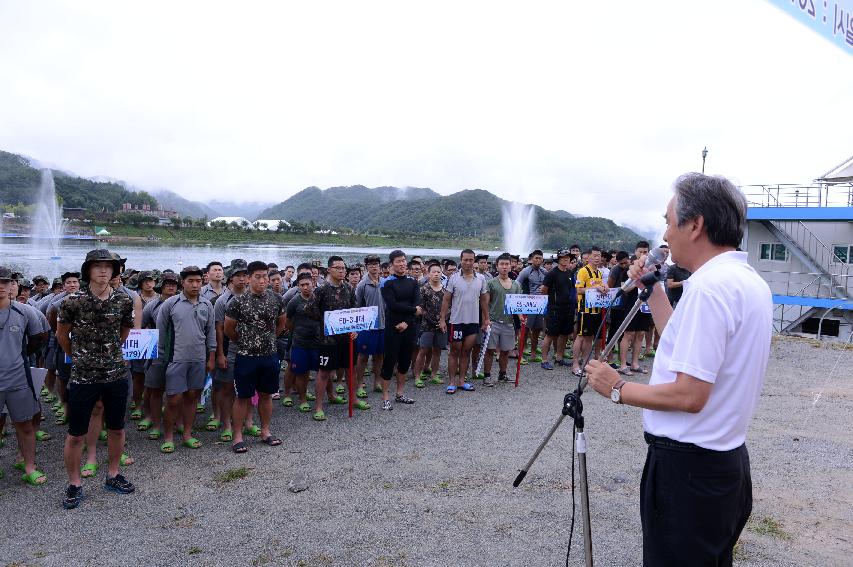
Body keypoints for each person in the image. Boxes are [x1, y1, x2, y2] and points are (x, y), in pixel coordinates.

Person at [586, 173, 771, 566]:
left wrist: (617, 387)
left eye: (669, 221)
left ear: (696, 224)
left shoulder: (708, 288)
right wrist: (653, 293)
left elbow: (690, 395)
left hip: (688, 470)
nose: (665, 235)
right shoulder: (744, 280)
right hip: (723, 464)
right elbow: (685, 347)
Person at [57, 249, 136, 509]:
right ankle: (74, 483)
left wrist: (110, 354)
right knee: (76, 433)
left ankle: (113, 474)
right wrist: (79, 357)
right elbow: (62, 335)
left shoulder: (123, 300)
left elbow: (125, 331)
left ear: (114, 271)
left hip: (115, 374)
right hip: (83, 376)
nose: (103, 271)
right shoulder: (72, 301)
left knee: (116, 428)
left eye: (108, 267)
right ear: (88, 270)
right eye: (97, 266)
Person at [224, 261, 286, 452]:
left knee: (266, 395)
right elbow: (229, 329)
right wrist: (245, 342)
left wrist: (269, 340)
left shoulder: (276, 299)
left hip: (269, 355)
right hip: (245, 355)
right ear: (249, 278)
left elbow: (281, 323)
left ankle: (265, 431)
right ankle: (237, 436)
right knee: (242, 396)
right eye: (257, 277)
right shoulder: (237, 302)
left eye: (265, 276)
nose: (262, 280)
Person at [156, 266, 216, 453]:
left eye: (198, 281)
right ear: (183, 283)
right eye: (191, 281)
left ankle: (188, 434)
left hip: (198, 359)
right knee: (173, 399)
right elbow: (161, 331)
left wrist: (211, 356)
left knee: (192, 398)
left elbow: (211, 333)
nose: (195, 285)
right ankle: (168, 436)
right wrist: (159, 357)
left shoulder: (207, 305)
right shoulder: (171, 304)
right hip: (175, 359)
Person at [0, 266, 48, 486]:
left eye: (5, 282)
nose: (1, 286)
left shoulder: (24, 311)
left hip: (18, 379)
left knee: (25, 425)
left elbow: (39, 338)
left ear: (12, 285)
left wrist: (20, 357)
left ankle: (29, 465)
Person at [306, 256, 354, 421]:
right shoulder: (321, 289)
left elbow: (354, 311)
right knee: (324, 372)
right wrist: (326, 322)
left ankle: (353, 399)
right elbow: (310, 310)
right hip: (327, 340)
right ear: (329, 270)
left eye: (343, 268)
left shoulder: (348, 288)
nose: (342, 271)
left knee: (349, 369)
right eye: (338, 268)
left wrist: (355, 330)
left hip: (346, 339)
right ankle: (318, 407)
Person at [439, 249, 489, 394]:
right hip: (456, 321)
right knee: (455, 351)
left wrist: (486, 318)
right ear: (461, 260)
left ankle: (462, 381)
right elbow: (446, 299)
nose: (468, 263)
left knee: (467, 351)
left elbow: (484, 300)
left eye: (471, 260)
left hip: (473, 321)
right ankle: (452, 382)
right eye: (465, 260)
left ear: (474, 261)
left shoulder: (481, 278)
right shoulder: (453, 278)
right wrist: (442, 319)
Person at [137, 271, 180, 439]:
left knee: (178, 392)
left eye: (174, 284)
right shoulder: (152, 305)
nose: (170, 286)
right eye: (167, 283)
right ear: (161, 285)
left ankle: (178, 422)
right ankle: (155, 423)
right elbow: (139, 326)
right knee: (155, 390)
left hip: (179, 352)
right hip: (156, 352)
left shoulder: (182, 303)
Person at [379, 250, 422, 410]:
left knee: (404, 361)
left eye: (404, 260)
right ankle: (385, 397)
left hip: (408, 326)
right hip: (393, 327)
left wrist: (407, 321)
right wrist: (413, 311)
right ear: (391, 265)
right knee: (389, 362)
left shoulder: (413, 282)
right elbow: (393, 305)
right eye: (398, 261)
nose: (402, 263)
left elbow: (418, 303)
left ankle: (400, 394)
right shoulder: (386, 283)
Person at [284, 273, 321, 414]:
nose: (305, 287)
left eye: (307, 284)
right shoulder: (294, 301)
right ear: (298, 286)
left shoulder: (319, 299)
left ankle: (321, 399)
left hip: (317, 343)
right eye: (302, 285)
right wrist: (300, 330)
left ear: (313, 283)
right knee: (301, 373)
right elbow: (288, 323)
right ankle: (303, 399)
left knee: (320, 372)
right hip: (299, 343)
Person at [483, 254, 522, 386]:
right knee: (490, 350)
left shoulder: (516, 284)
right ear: (497, 266)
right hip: (494, 322)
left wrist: (521, 317)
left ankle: (502, 374)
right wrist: (486, 320)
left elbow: (518, 305)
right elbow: (485, 303)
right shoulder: (491, 283)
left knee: (506, 351)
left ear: (511, 266)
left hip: (509, 322)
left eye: (507, 264)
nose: (504, 267)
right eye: (502, 264)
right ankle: (487, 376)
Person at [571, 246, 607, 377]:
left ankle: (586, 363)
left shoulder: (599, 272)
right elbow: (579, 290)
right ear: (589, 257)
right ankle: (575, 364)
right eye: (595, 255)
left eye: (599, 255)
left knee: (590, 338)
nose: (598, 258)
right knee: (580, 337)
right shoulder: (583, 271)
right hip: (584, 309)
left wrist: (604, 288)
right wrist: (594, 288)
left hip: (596, 309)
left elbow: (599, 288)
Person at [538, 250, 576, 370]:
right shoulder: (552, 273)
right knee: (550, 335)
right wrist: (553, 299)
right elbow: (543, 289)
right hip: (554, 308)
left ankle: (559, 358)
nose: (566, 259)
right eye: (563, 257)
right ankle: (544, 360)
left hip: (568, 308)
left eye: (568, 257)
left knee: (564, 334)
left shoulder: (570, 273)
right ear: (558, 259)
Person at [354, 255, 384, 406]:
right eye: (371, 264)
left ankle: (377, 382)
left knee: (379, 355)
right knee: (363, 356)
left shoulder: (384, 282)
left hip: (382, 325)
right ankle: (359, 384)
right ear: (366, 267)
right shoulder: (362, 285)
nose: (374, 267)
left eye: (376, 264)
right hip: (366, 326)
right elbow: (357, 306)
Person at [412, 262, 447, 387]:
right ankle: (417, 376)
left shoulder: (445, 290)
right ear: (428, 273)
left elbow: (448, 307)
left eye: (438, 271)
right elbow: (420, 309)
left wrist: (443, 320)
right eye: (434, 272)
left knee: (437, 351)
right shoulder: (424, 289)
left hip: (441, 325)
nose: (436, 274)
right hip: (426, 325)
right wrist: (432, 320)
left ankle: (434, 374)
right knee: (423, 350)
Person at [516, 249, 547, 363]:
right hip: (528, 303)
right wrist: (520, 300)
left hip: (540, 303)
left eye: (540, 258)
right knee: (525, 329)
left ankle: (533, 353)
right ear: (531, 259)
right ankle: (521, 354)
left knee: (537, 329)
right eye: (536, 258)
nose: (538, 260)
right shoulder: (526, 271)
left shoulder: (544, 271)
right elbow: (517, 285)